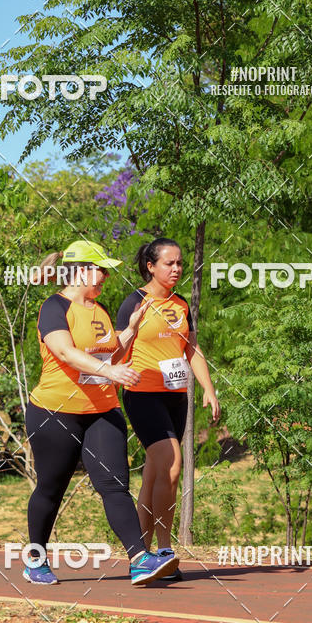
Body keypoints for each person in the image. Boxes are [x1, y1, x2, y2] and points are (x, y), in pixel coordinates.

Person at [24, 240, 178, 586]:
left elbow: (110, 357)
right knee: (51, 487)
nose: (105, 276)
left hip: (102, 409)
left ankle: (139, 559)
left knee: (114, 485)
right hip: (54, 411)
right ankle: (35, 558)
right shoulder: (53, 307)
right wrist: (110, 372)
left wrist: (130, 332)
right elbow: (64, 351)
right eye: (100, 269)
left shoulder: (100, 309)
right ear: (81, 271)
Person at [116, 237, 221, 581]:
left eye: (179, 263)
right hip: (142, 394)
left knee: (154, 474)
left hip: (175, 397)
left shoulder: (180, 305)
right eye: (168, 263)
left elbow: (191, 348)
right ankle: (164, 549)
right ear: (151, 266)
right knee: (173, 465)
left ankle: (141, 556)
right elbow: (114, 352)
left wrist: (208, 388)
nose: (176, 269)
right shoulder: (134, 302)